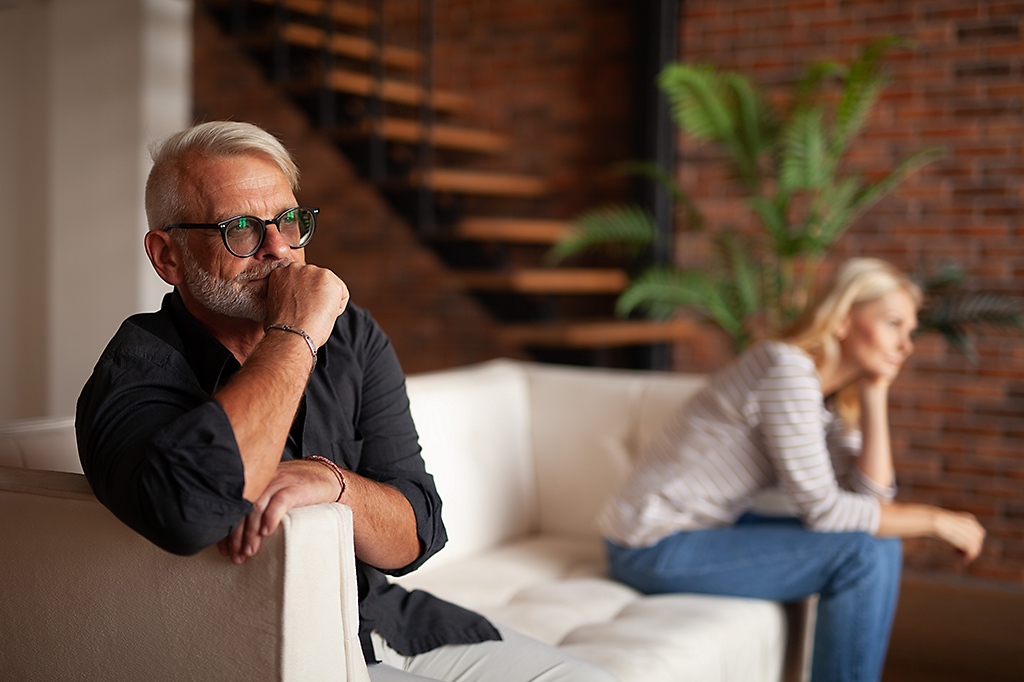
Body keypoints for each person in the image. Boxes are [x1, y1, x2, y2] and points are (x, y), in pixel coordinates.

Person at [76, 120, 618, 682]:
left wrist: (334, 484)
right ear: (168, 256)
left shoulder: (351, 334)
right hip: (269, 652)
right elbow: (190, 513)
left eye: (288, 221)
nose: (279, 250)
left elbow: (418, 531)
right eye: (241, 228)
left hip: (387, 620)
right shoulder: (137, 369)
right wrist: (294, 336)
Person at [598, 258, 986, 682]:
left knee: (877, 544)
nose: (906, 345)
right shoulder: (787, 370)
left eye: (909, 331)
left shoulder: (824, 396)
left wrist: (875, 393)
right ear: (841, 320)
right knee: (861, 555)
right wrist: (933, 520)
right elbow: (826, 512)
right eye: (893, 323)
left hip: (708, 527)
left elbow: (871, 504)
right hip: (650, 544)